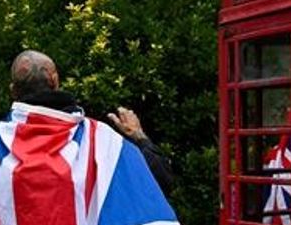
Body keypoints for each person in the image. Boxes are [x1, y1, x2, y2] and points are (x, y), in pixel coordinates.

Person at [9, 49, 174, 193]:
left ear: (13, 91)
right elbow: (159, 179)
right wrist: (139, 137)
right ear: (55, 80)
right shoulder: (99, 140)